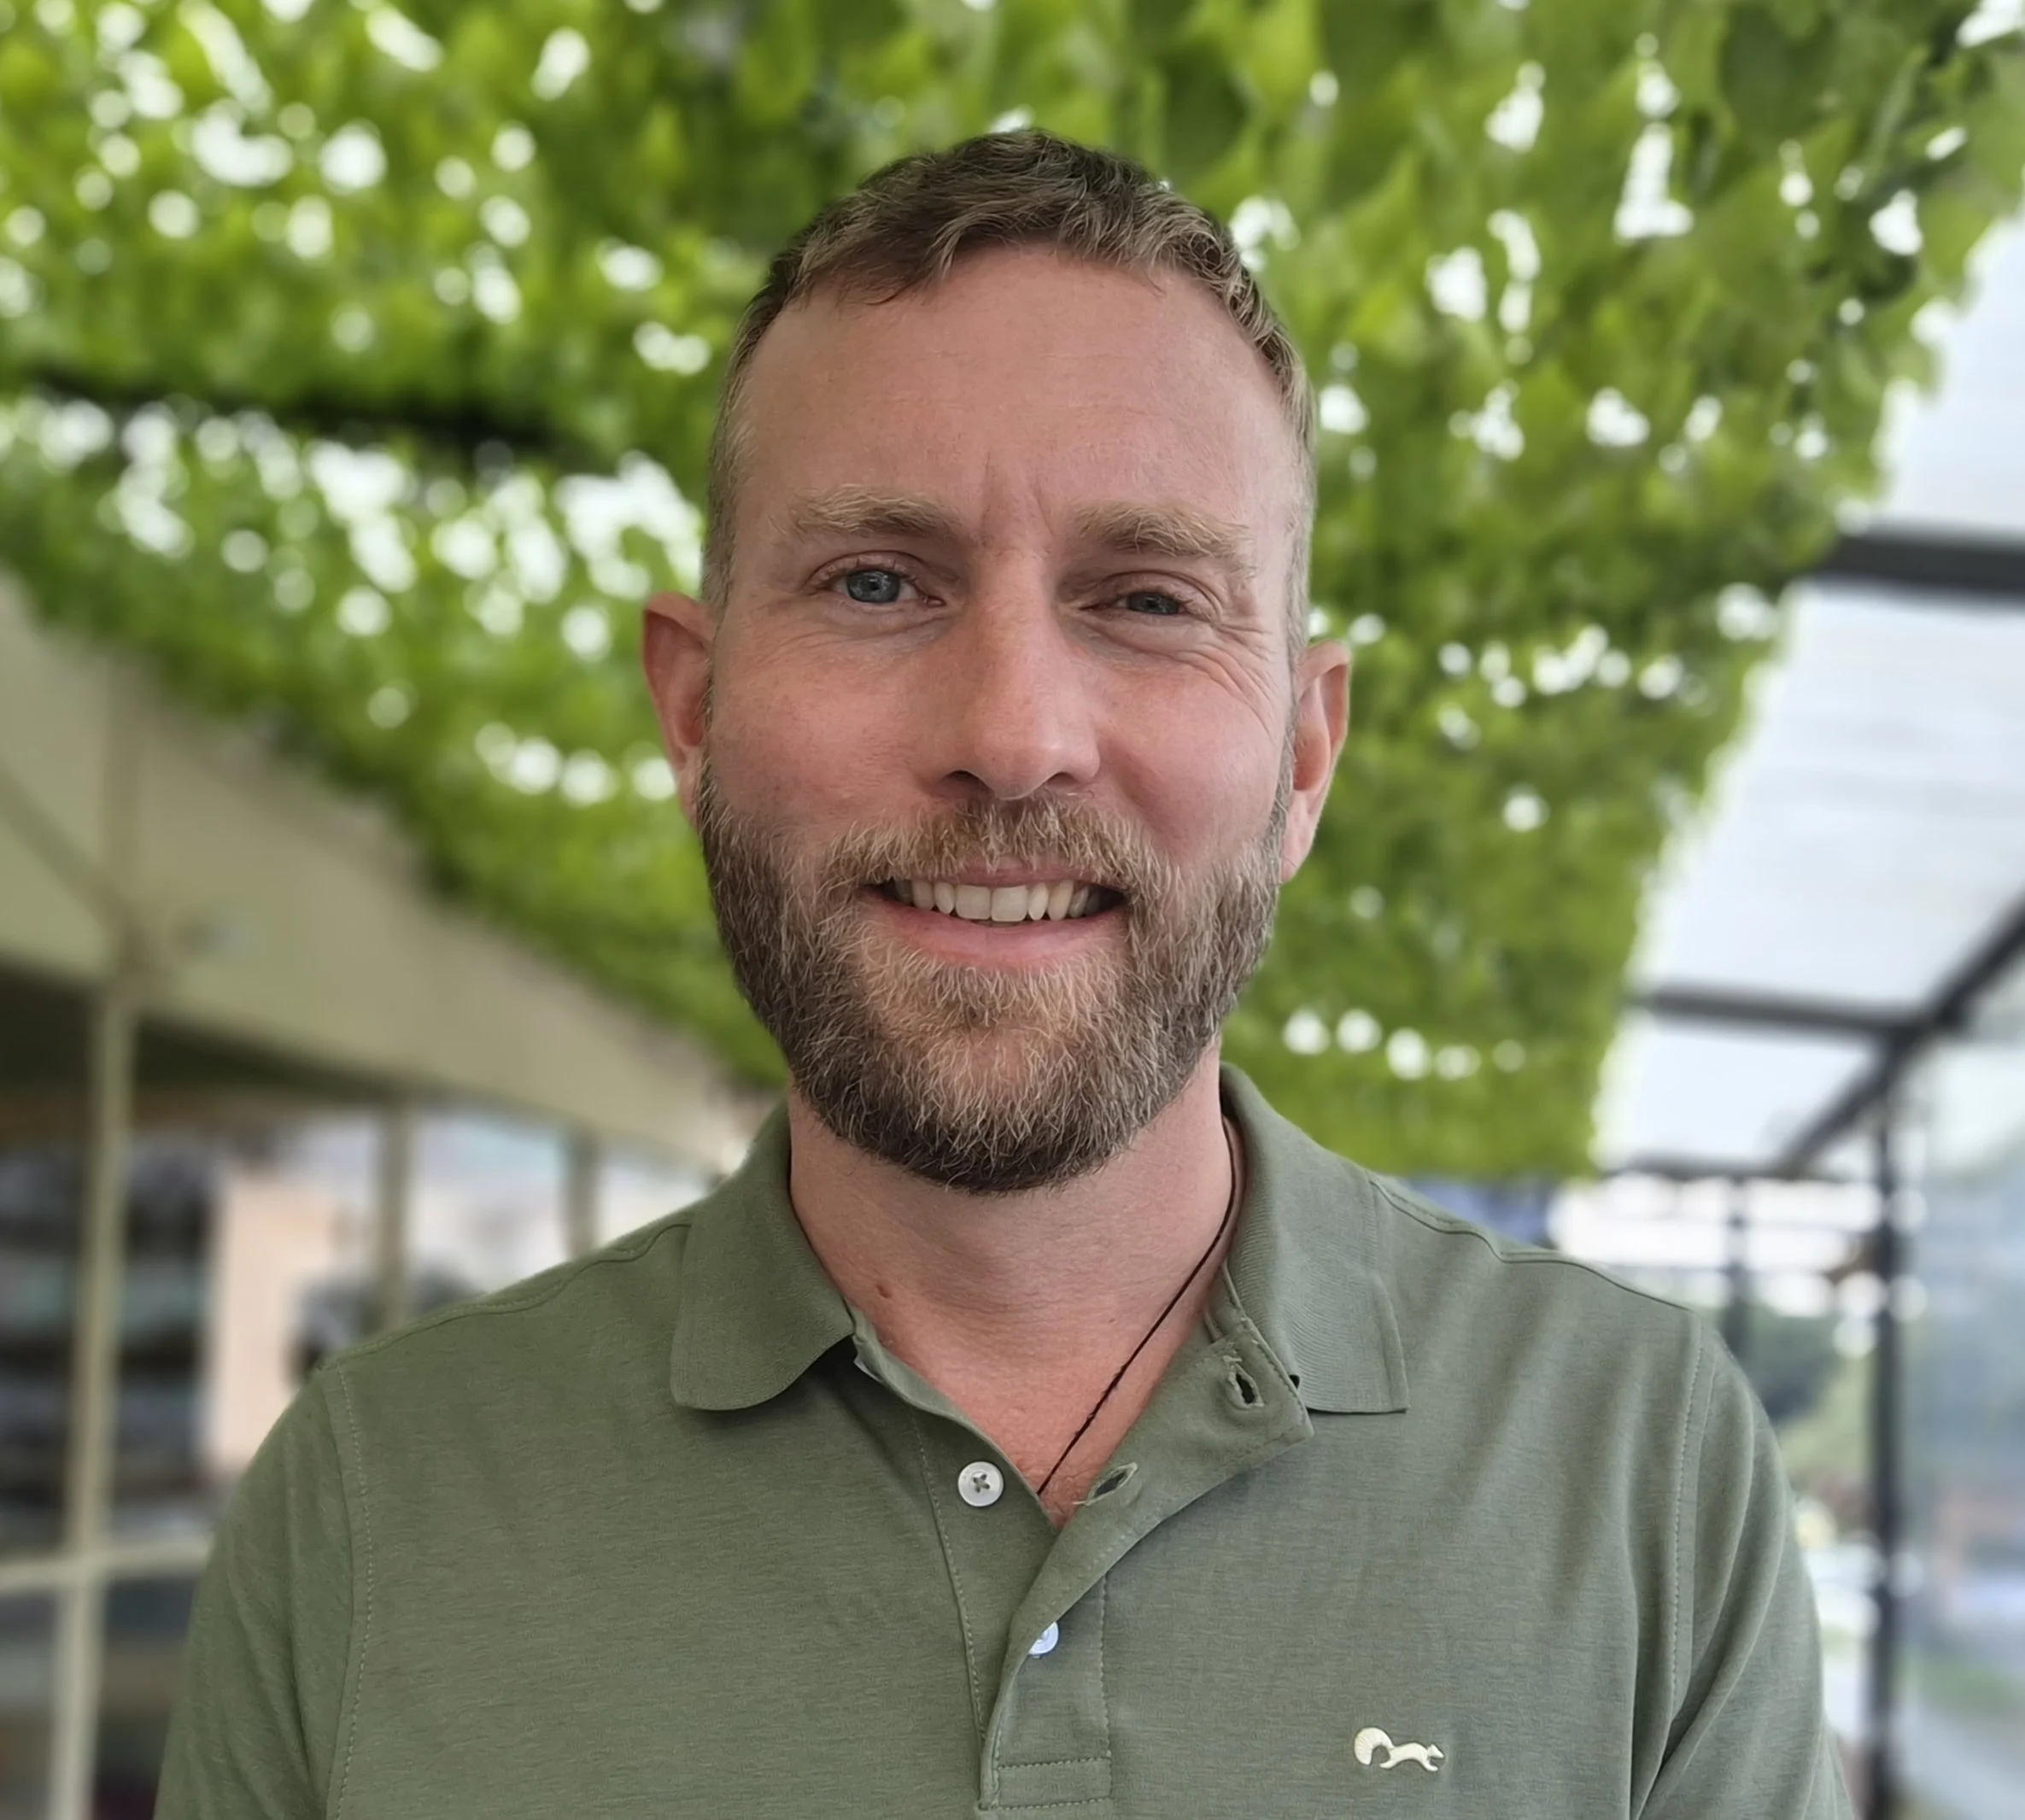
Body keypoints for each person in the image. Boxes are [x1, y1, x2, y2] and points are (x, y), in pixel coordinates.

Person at [161, 132, 1852, 1819]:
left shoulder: (1639, 1469)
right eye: (879, 582)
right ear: (696, 711)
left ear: (1305, 761)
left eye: (1147, 599)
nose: (1013, 738)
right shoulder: (374, 1514)